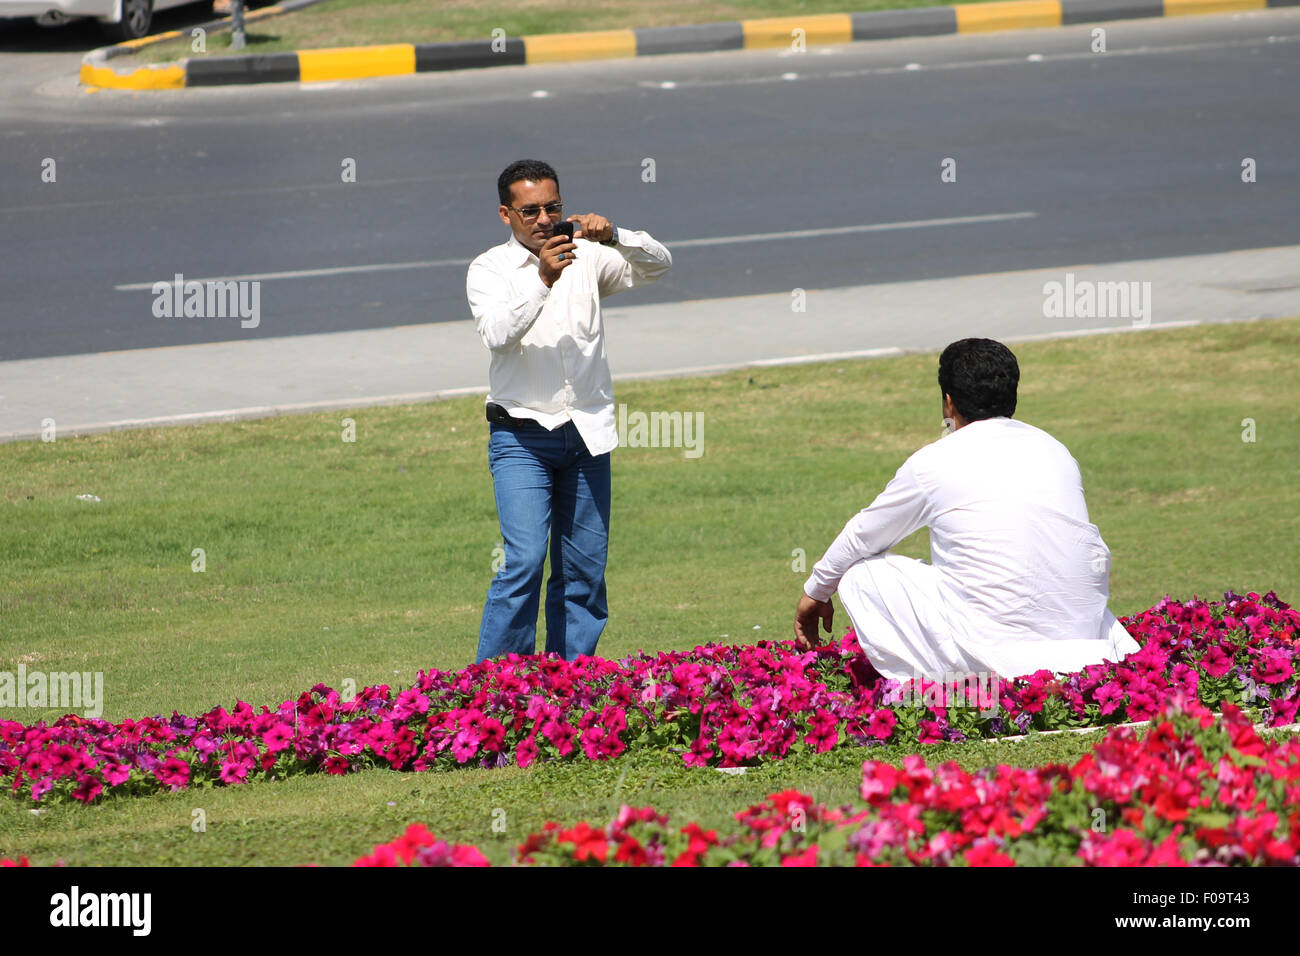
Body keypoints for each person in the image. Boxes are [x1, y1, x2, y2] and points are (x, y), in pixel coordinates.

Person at [794, 338, 1139, 683]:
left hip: (997, 657)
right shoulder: (1056, 450)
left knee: (859, 575)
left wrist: (816, 591)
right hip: (1084, 645)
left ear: (948, 402)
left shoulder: (934, 461)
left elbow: (863, 535)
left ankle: (939, 694)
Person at [468, 159, 672, 663]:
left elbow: (658, 265)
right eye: (529, 210)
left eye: (553, 207)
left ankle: (568, 685)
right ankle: (497, 690)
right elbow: (497, 334)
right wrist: (542, 279)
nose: (543, 219)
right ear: (505, 214)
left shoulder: (587, 257)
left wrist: (617, 234)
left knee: (583, 570)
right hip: (521, 437)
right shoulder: (488, 269)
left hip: (586, 436)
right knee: (524, 561)